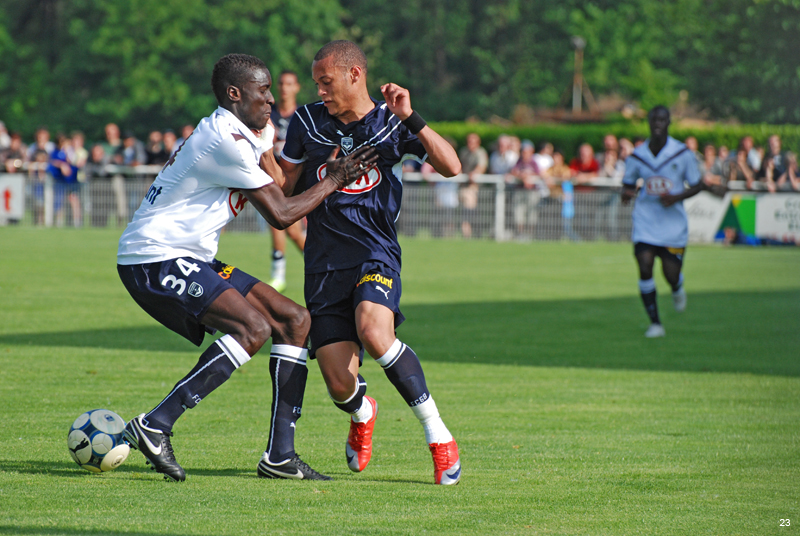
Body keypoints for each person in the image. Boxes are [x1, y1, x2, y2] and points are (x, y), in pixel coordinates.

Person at [116, 53, 377, 482]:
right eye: (263, 91)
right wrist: (333, 180)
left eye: (272, 89)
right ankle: (156, 424)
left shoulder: (255, 130)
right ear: (234, 94)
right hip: (153, 255)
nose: (271, 99)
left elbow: (279, 185)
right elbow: (281, 212)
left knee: (294, 320)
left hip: (188, 254)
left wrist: (305, 168)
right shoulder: (223, 139)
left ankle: (280, 456)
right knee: (252, 328)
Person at [278, 40, 463, 485]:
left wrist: (411, 117)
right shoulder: (306, 122)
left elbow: (452, 166)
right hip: (323, 264)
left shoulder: (390, 123)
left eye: (327, 81)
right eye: (317, 83)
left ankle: (439, 437)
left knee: (374, 331)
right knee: (340, 384)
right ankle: (363, 411)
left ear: (354, 75)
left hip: (375, 252)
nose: (320, 90)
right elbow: (283, 191)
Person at [621, 105, 705, 338]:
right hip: (645, 220)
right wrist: (626, 194)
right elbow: (627, 184)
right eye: (654, 120)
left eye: (662, 120)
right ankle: (655, 323)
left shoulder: (682, 154)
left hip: (673, 226)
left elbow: (698, 184)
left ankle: (677, 287)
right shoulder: (637, 155)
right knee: (645, 265)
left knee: (670, 274)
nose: (657, 124)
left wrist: (677, 197)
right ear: (648, 122)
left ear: (669, 123)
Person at [267, 70, 307, 292]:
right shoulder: (268, 114)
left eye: (289, 83)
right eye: (281, 83)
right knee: (277, 225)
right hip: (272, 179)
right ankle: (278, 276)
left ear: (297, 87)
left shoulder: (301, 115)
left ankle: (317, 263)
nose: (284, 88)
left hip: (295, 180)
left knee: (292, 231)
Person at [458, 132, 488, 238]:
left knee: (469, 211)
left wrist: (474, 174)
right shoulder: (464, 152)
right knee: (463, 210)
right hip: (463, 185)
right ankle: (466, 233)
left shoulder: (480, 153)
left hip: (474, 187)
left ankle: (471, 232)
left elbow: (481, 166)